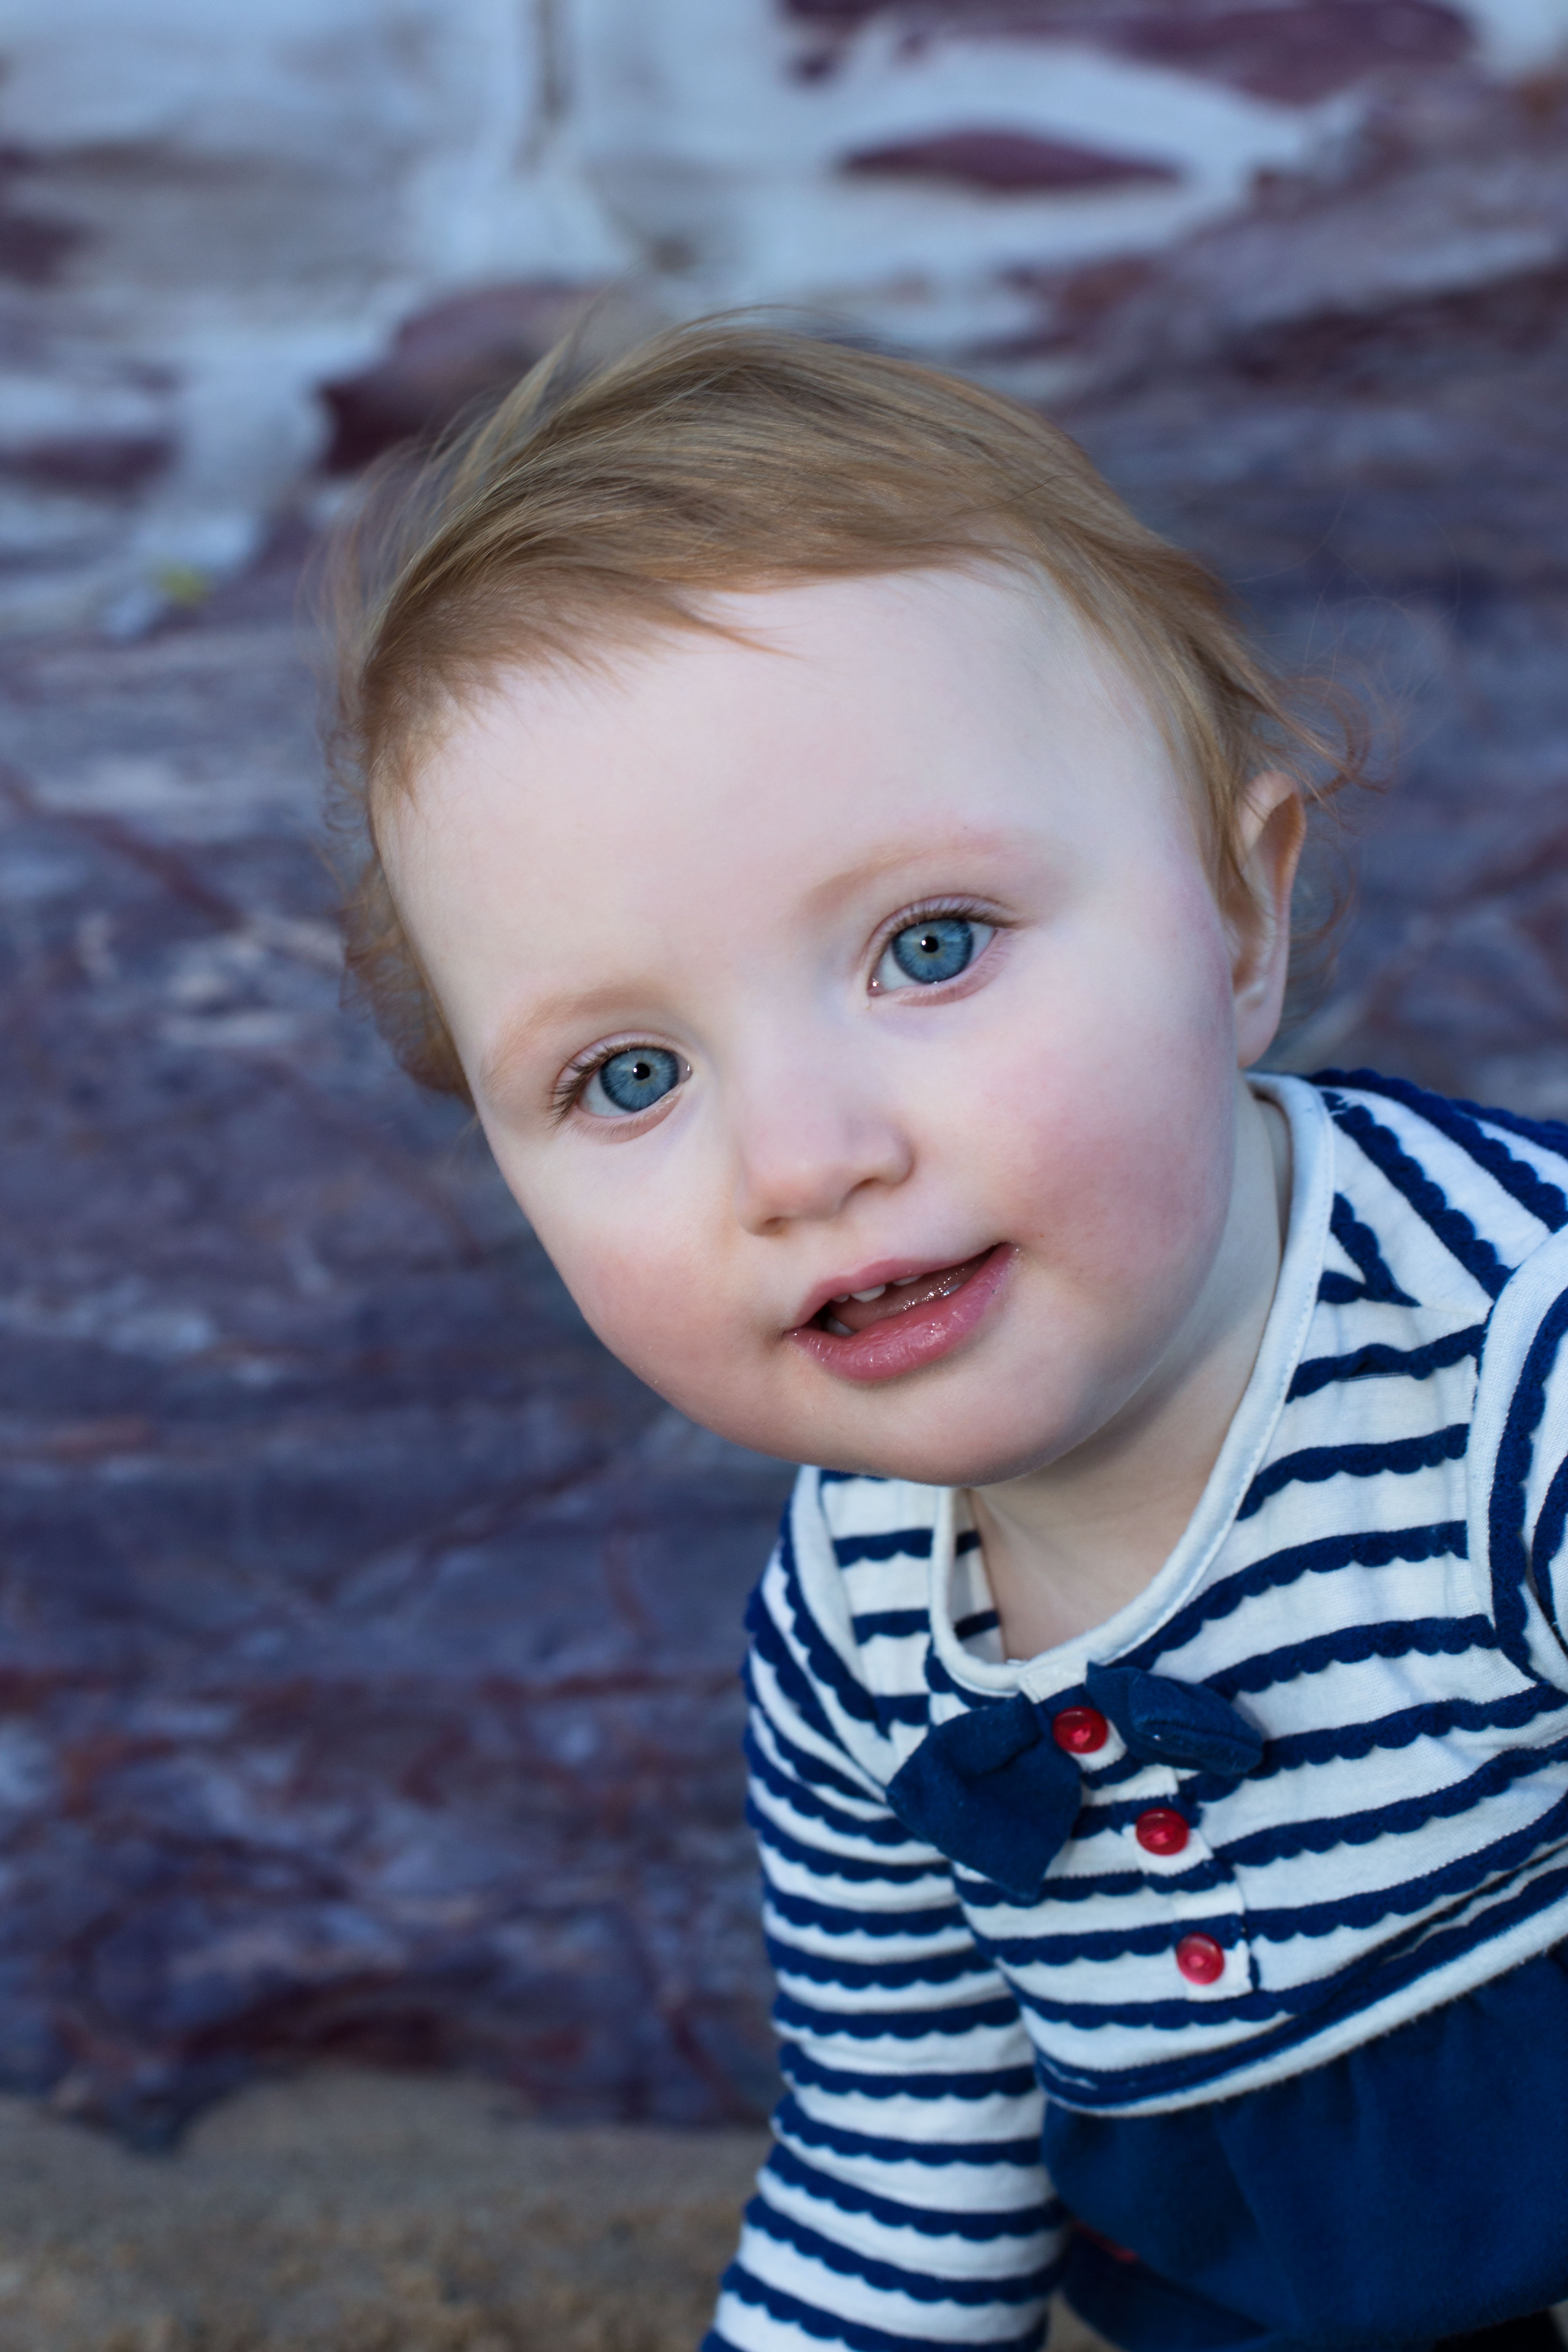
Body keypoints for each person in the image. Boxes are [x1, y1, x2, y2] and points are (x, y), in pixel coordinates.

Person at [327, 318, 1568, 2352]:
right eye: (629, 1076)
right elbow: (903, 2168)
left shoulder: (1508, 1361)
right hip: (1298, 2270)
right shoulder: (849, 1636)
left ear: (1236, 920)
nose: (805, 1158)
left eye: (928, 946)